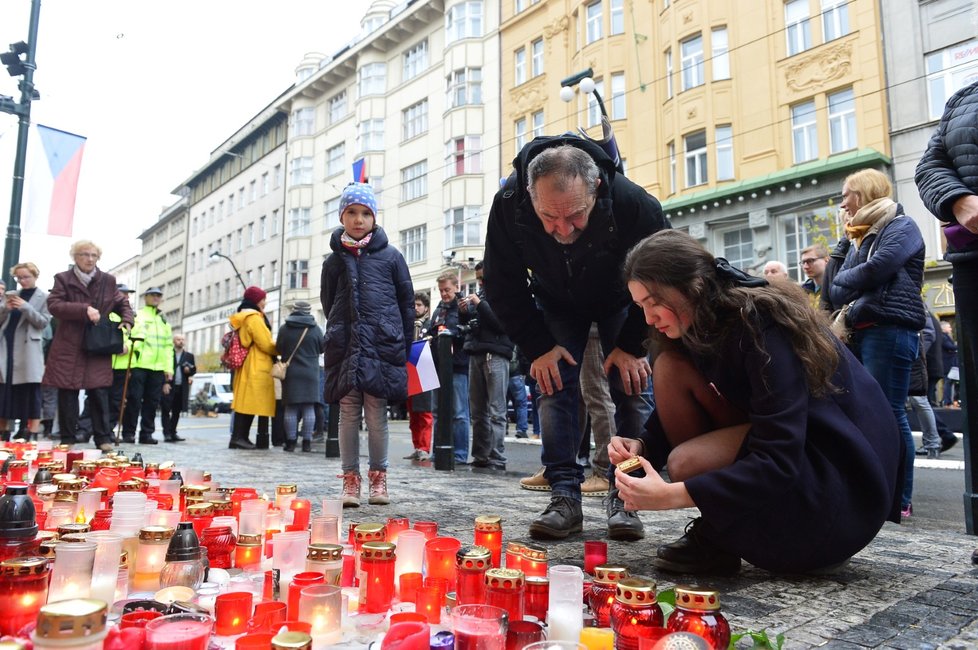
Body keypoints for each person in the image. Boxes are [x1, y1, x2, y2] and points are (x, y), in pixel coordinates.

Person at [611, 230, 902, 575]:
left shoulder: (760, 326)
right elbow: (680, 409)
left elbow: (778, 457)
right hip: (797, 458)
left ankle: (721, 535)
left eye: (654, 302)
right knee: (670, 367)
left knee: (686, 461)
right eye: (640, 306)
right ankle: (722, 532)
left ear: (694, 287)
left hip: (834, 497)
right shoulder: (703, 322)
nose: (649, 318)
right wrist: (642, 448)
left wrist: (673, 495)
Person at [483, 137, 667, 540]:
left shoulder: (635, 204)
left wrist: (634, 346)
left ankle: (627, 496)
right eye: (549, 217)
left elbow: (661, 276)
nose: (563, 229)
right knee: (553, 385)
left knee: (633, 386)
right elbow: (501, 283)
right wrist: (538, 347)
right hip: (555, 300)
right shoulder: (507, 203)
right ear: (529, 195)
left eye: (576, 216)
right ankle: (564, 494)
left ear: (596, 187)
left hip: (623, 297)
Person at [828, 168, 925, 518]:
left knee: (890, 412)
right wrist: (845, 240)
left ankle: (898, 499)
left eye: (846, 194)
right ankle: (874, 494)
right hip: (859, 328)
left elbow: (877, 269)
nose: (842, 203)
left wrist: (847, 279)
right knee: (867, 412)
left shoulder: (901, 226)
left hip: (888, 328)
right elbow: (832, 287)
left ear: (864, 192)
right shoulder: (858, 235)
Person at [321, 182, 414, 507]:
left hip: (381, 344)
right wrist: (335, 332)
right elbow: (329, 302)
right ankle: (350, 481)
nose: (358, 219)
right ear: (342, 216)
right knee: (347, 413)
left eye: (365, 213)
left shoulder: (391, 257)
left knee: (376, 414)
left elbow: (405, 303)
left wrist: (404, 346)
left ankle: (378, 479)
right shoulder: (333, 262)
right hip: (345, 344)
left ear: (373, 217)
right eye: (352, 213)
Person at [43, 241, 134, 452]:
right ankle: (68, 438)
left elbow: (122, 303)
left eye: (94, 255)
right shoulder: (63, 279)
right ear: (75, 257)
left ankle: (103, 438)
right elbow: (54, 305)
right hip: (69, 345)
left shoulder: (108, 280)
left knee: (99, 393)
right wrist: (83, 309)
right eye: (85, 254)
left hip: (97, 344)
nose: (90, 259)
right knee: (67, 393)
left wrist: (127, 319)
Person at [462, 262, 514, 470]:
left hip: (496, 354)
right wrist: (464, 313)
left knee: (496, 409)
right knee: (477, 410)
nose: (480, 282)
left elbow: (503, 325)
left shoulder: (506, 292)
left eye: (483, 277)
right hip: (476, 352)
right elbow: (474, 324)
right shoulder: (482, 293)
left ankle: (497, 456)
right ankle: (481, 455)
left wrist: (479, 304)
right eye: (478, 278)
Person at [0, 263, 51, 441]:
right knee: (5, 390)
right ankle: (4, 432)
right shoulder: (13, 295)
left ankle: (33, 432)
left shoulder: (44, 297)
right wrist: (5, 308)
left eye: (25, 277)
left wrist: (25, 307)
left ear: (35, 276)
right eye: (19, 278)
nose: (22, 281)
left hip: (28, 349)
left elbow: (43, 322)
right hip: (7, 345)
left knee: (31, 390)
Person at [228, 286, 278, 450]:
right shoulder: (254, 318)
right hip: (257, 363)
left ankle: (240, 438)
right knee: (249, 403)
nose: (265, 302)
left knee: (246, 402)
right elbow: (265, 343)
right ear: (257, 300)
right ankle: (239, 438)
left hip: (248, 363)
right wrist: (280, 348)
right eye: (263, 299)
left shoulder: (245, 316)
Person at [121, 287, 173, 445]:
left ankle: (146, 434)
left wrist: (169, 368)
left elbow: (168, 347)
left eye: (159, 296)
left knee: (152, 403)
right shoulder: (138, 315)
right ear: (146, 297)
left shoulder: (163, 320)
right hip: (140, 365)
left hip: (157, 368)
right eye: (153, 295)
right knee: (134, 400)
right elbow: (129, 336)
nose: (156, 298)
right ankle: (129, 433)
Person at [429, 271, 470, 464]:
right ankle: (438, 451)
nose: (444, 294)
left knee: (459, 413)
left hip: (457, 366)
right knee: (437, 412)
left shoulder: (463, 309)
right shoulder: (439, 311)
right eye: (441, 290)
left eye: (447, 290)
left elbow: (467, 333)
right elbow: (430, 331)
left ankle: (460, 454)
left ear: (456, 287)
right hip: (437, 367)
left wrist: (451, 334)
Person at [276, 300, 324, 452]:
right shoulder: (315, 329)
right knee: (309, 407)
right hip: (311, 373)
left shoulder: (284, 329)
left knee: (291, 407)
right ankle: (307, 443)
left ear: (294, 311)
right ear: (308, 311)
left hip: (291, 372)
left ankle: (290, 443)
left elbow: (278, 348)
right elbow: (322, 348)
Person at [404, 292, 434, 461]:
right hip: (409, 368)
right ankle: (416, 446)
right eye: (414, 305)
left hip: (424, 367)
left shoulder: (430, 324)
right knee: (413, 413)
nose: (416, 308)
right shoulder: (408, 325)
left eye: (419, 305)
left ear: (426, 307)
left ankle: (424, 447)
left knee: (424, 413)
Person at [108, 284, 137, 433]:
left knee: (116, 401)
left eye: (127, 294)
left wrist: (126, 346)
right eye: (123, 294)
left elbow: (135, 337)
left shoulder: (130, 315)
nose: (126, 297)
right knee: (97, 398)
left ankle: (108, 430)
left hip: (123, 365)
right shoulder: (109, 312)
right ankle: (87, 429)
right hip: (106, 363)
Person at [160, 333, 196, 442]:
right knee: (166, 410)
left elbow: (194, 369)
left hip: (182, 387)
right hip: (169, 385)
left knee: (177, 411)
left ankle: (173, 432)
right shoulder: (168, 354)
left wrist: (189, 371)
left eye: (182, 339)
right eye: (178, 339)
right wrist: (164, 382)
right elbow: (162, 369)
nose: (181, 341)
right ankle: (166, 433)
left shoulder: (189, 356)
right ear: (174, 341)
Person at [799, 243, 829, 309]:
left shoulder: (837, 287)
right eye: (803, 262)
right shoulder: (802, 291)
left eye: (810, 261)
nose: (805, 266)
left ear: (826, 260)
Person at [940, 320, 959, 407]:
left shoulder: (945, 336)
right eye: (949, 327)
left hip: (949, 363)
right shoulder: (943, 337)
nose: (951, 329)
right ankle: (947, 401)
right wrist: (958, 345)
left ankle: (948, 400)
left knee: (950, 382)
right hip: (948, 363)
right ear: (944, 328)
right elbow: (949, 347)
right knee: (948, 382)